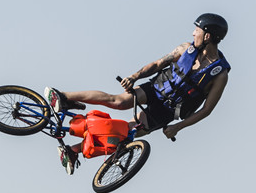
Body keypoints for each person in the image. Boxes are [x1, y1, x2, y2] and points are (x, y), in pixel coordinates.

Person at [44, 12, 231, 175]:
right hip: (156, 89)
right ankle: (63, 96)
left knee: (125, 134)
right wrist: (134, 77)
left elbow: (207, 110)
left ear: (207, 36)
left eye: (197, 30)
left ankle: (72, 151)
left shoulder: (220, 75)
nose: (193, 33)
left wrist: (178, 127)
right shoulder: (185, 48)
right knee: (118, 101)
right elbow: (158, 64)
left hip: (168, 110)